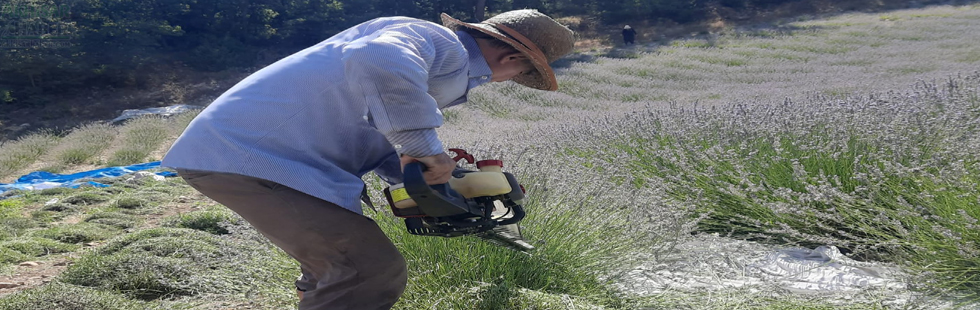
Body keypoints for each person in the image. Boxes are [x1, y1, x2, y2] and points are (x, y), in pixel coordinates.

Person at [160, 9, 575, 310]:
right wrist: (425, 148)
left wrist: (432, 172)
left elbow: (375, 129)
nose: (498, 82)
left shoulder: (422, 48)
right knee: (367, 269)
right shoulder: (437, 43)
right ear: (512, 60)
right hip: (253, 156)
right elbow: (377, 58)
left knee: (331, 268)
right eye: (513, 77)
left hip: (255, 155)